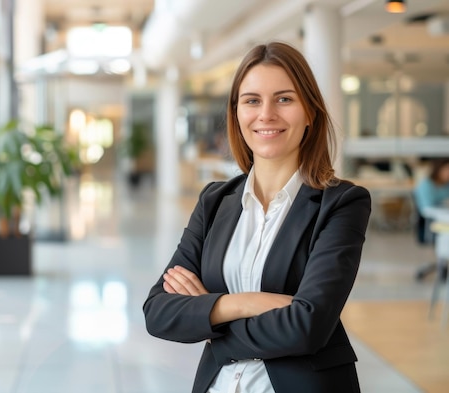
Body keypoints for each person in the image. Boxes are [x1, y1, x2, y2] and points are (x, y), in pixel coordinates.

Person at [143, 41, 371, 393]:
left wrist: (209, 317)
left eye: (284, 99)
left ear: (310, 111)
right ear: (237, 113)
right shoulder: (214, 201)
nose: (266, 114)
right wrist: (245, 302)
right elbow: (159, 312)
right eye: (252, 100)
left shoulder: (341, 203)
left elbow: (306, 327)